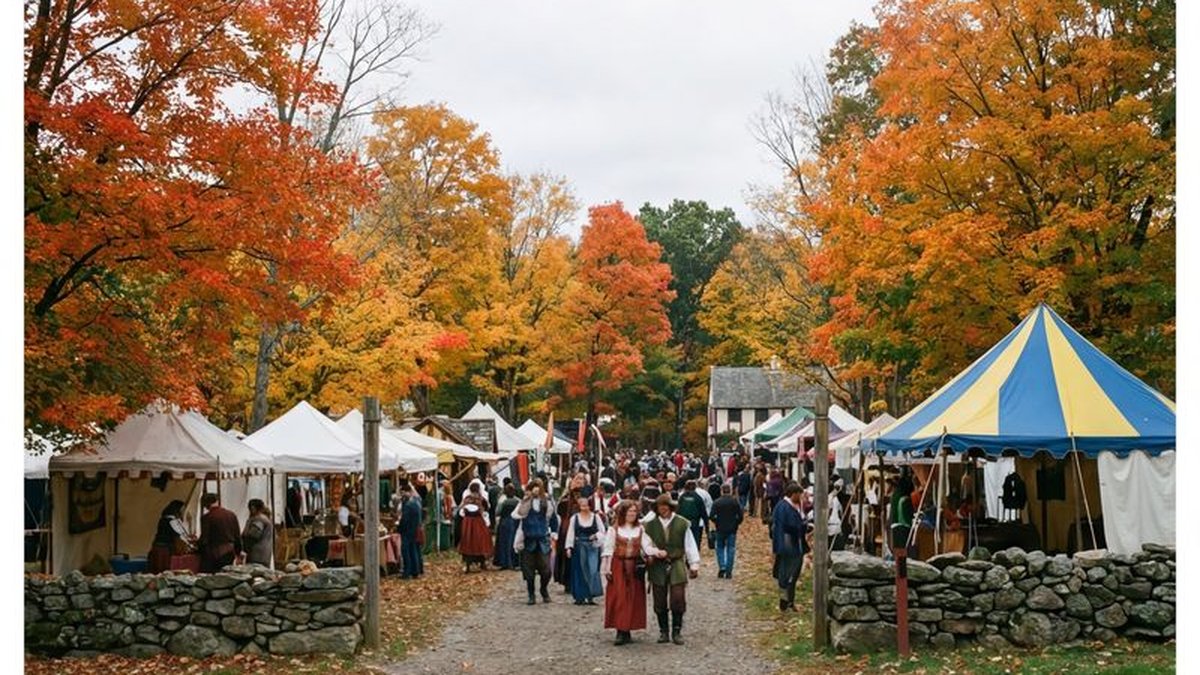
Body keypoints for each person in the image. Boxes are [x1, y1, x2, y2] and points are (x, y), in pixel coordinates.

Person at [644, 493, 700, 645]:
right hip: (657, 564)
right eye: (660, 506)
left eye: (665, 505)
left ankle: (677, 631)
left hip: (676, 563)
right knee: (659, 600)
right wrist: (654, 552)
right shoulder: (650, 525)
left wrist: (694, 564)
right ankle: (664, 632)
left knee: (678, 598)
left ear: (671, 506)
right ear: (656, 508)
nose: (663, 509)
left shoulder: (682, 523)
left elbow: (689, 545)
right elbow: (646, 545)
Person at [601, 499, 649, 645]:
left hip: (634, 566)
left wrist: (657, 552)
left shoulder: (640, 529)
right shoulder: (614, 529)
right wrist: (607, 568)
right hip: (618, 565)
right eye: (629, 511)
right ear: (623, 513)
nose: (632, 514)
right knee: (619, 597)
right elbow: (608, 549)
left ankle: (627, 628)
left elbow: (646, 546)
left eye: (634, 511)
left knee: (633, 597)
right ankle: (620, 630)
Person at [513, 478, 560, 604]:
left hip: (543, 539)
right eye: (533, 487)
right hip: (528, 539)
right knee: (529, 571)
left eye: (538, 487)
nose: (536, 489)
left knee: (546, 570)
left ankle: (543, 589)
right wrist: (526, 500)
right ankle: (531, 593)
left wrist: (554, 533)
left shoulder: (547, 502)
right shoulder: (525, 502)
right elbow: (517, 514)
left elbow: (553, 519)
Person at [565, 490, 607, 605]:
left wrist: (596, 536)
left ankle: (591, 595)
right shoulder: (575, 518)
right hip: (579, 547)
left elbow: (602, 531)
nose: (584, 507)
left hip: (592, 547)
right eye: (582, 505)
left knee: (592, 570)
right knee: (579, 571)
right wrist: (568, 547)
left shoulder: (596, 517)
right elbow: (571, 532)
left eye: (586, 505)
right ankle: (580, 596)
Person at [772, 482, 806, 612]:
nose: (801, 497)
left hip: (789, 545)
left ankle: (787, 601)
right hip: (789, 545)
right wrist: (803, 525)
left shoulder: (785, 506)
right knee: (788, 575)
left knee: (788, 575)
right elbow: (792, 525)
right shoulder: (785, 508)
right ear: (794, 494)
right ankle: (786, 602)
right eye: (799, 495)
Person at [554, 472, 586, 593]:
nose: (579, 481)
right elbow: (560, 509)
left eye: (581, 479)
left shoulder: (587, 495)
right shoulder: (566, 496)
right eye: (577, 479)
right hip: (566, 529)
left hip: (582, 529)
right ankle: (567, 582)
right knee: (566, 556)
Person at [198, 493, 242, 573]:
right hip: (230, 552)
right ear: (217, 501)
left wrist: (198, 549)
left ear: (205, 504)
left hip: (214, 553)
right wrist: (238, 552)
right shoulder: (231, 515)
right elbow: (237, 536)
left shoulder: (207, 517)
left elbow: (205, 539)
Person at [148, 500, 194, 573]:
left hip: (158, 547)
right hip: (164, 549)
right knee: (163, 570)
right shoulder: (171, 520)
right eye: (182, 510)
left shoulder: (164, 519)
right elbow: (179, 534)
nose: (183, 512)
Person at [457, 481, 493, 572]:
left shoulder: (466, 499)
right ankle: (482, 562)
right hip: (478, 522)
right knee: (480, 540)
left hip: (467, 522)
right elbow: (487, 508)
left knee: (468, 541)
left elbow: (461, 510)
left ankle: (468, 564)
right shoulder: (481, 499)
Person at [710, 483, 743, 578]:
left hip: (720, 528)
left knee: (719, 547)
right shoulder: (734, 502)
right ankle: (729, 570)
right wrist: (736, 523)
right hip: (732, 528)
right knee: (731, 548)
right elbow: (740, 515)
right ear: (730, 490)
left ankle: (722, 566)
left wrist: (716, 522)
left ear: (721, 491)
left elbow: (712, 515)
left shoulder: (717, 502)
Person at [397, 485, 425, 579]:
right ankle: (415, 570)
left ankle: (407, 572)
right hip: (414, 530)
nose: (401, 495)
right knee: (413, 551)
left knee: (406, 551)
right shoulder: (416, 502)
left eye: (402, 492)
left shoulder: (409, 505)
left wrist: (399, 527)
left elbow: (405, 519)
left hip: (408, 530)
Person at [493, 483, 520, 570]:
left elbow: (497, 512)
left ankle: (504, 562)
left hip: (505, 522)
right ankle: (515, 562)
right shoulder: (518, 501)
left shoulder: (503, 502)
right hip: (515, 522)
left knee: (504, 543)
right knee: (513, 542)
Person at [241, 499, 274, 567]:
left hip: (257, 555)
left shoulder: (259, 520)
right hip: (264, 554)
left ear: (253, 508)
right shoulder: (264, 518)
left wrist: (242, 542)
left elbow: (253, 535)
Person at [676, 480, 708, 550]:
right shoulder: (698, 497)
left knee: (684, 539)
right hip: (695, 522)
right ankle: (694, 554)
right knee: (694, 539)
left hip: (683, 522)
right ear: (695, 487)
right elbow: (703, 513)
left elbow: (678, 510)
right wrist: (707, 528)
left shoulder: (682, 497)